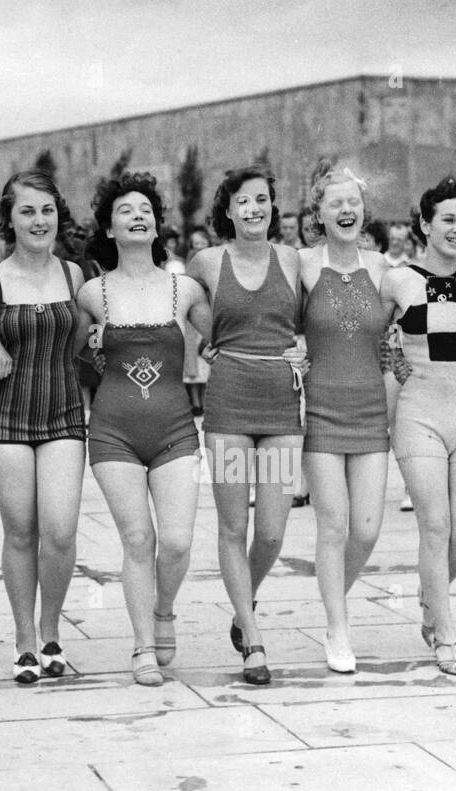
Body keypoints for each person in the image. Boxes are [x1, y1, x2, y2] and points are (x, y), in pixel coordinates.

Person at [73, 172, 210, 685]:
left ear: (157, 225)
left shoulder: (185, 286)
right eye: (125, 210)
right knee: (138, 538)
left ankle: (164, 610)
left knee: (175, 542)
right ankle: (142, 646)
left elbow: (229, 336)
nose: (136, 216)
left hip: (176, 429)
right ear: (109, 229)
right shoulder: (91, 292)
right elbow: (66, 353)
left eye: (145, 210)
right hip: (112, 432)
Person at [0, 170, 86, 685]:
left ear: (59, 215)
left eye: (47, 210)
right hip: (6, 417)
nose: (39, 221)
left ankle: (52, 629)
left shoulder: (75, 276)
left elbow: (78, 341)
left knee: (59, 530)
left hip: (62, 412)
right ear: (9, 220)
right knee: (21, 531)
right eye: (27, 211)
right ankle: (24, 641)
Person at [186, 165, 307, 685]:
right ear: (228, 209)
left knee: (273, 531)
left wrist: (305, 351)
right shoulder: (208, 261)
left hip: (281, 402)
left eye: (262, 199)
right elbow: (182, 305)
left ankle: (242, 608)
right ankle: (254, 642)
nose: (254, 209)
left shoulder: (291, 258)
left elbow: (309, 320)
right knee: (234, 526)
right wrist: (205, 338)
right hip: (230, 402)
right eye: (244, 201)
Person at [381, 177, 456, 677]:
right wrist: (400, 371)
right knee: (436, 524)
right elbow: (370, 341)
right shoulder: (396, 279)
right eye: (447, 219)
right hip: (419, 416)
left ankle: (430, 595)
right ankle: (447, 635)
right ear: (426, 223)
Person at [297, 163, 390, 673]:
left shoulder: (383, 267)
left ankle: (333, 594)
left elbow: (409, 329)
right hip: (321, 410)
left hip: (371, 409)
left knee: (368, 528)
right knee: (333, 522)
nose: (346, 209)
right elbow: (275, 320)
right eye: (335, 203)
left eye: (353, 201)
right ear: (319, 214)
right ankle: (338, 626)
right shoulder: (303, 265)